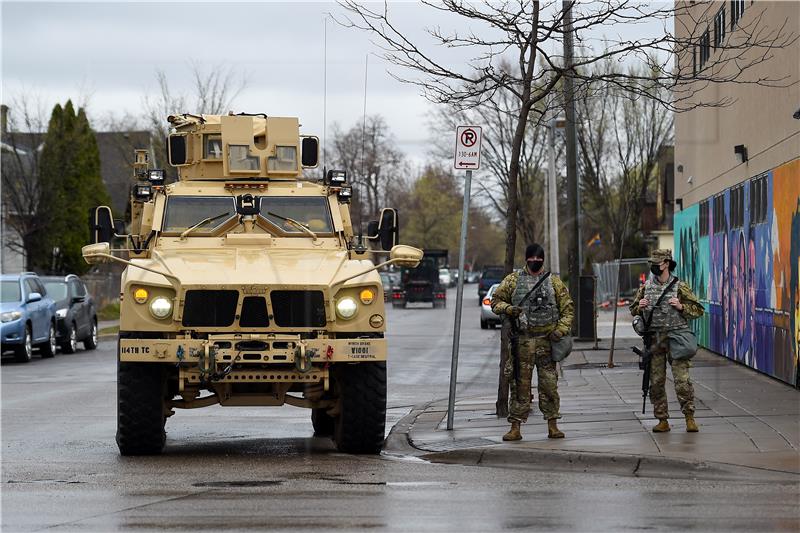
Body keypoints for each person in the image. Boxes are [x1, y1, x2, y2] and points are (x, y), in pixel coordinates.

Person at [491, 243, 574, 441]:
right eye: (532, 259)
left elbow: (568, 310)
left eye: (539, 259)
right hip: (523, 343)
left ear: (543, 260)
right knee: (520, 386)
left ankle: (553, 425)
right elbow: (495, 302)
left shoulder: (554, 283)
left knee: (549, 386)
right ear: (526, 259)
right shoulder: (513, 281)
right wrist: (509, 309)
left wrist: (560, 330)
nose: (536, 263)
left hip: (547, 342)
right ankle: (515, 427)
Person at [630, 249, 705, 433]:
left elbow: (698, 310)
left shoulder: (679, 286)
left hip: (677, 338)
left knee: (682, 380)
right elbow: (633, 310)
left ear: (666, 263)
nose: (654, 266)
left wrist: (681, 306)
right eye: (652, 263)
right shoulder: (646, 287)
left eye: (657, 263)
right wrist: (638, 307)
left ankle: (689, 417)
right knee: (656, 381)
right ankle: (662, 419)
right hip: (655, 339)